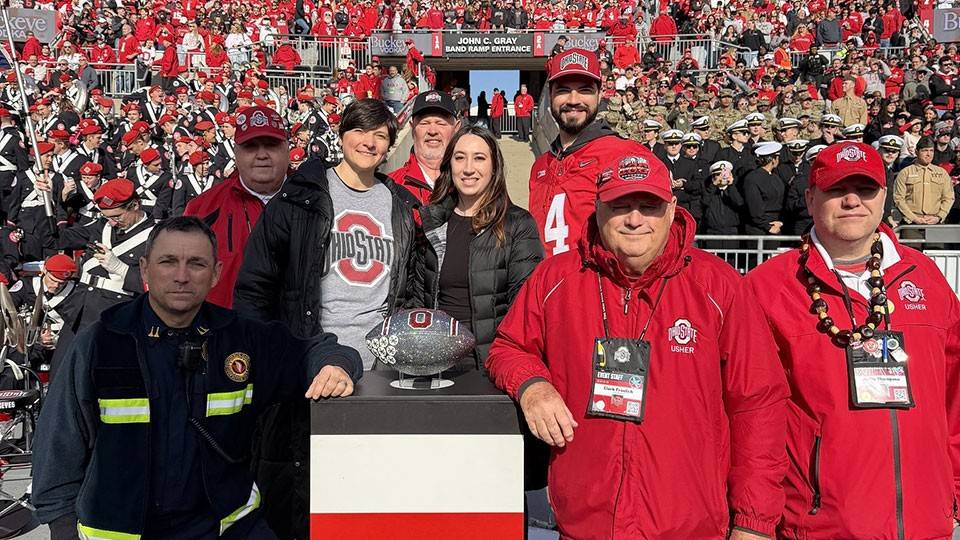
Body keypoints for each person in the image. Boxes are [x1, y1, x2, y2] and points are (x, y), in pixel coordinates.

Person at [487, 149, 788, 538]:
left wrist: (754, 524)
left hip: (689, 526)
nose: (634, 219)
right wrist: (533, 386)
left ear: (672, 208)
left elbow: (758, 403)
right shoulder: (556, 278)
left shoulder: (719, 285)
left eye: (649, 205)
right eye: (620, 205)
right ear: (597, 208)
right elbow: (508, 348)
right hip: (585, 524)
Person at [32, 216, 362, 540]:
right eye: (168, 262)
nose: (181, 276)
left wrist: (335, 365)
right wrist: (62, 527)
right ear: (145, 269)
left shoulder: (240, 338)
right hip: (120, 531)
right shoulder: (101, 342)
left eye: (196, 264)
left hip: (227, 526)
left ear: (216, 274)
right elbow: (58, 446)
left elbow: (318, 351)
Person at [745, 142, 960, 539]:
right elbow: (751, 417)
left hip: (926, 522)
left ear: (883, 198)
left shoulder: (925, 277)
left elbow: (956, 396)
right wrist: (752, 520)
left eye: (865, 190)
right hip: (821, 525)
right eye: (835, 190)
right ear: (810, 199)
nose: (851, 202)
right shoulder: (766, 288)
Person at [233, 99, 420, 540]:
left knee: (370, 496)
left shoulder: (398, 204)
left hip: (379, 370)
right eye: (360, 131)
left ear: (390, 146)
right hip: (307, 367)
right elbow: (254, 290)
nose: (369, 142)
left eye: (380, 136)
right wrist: (269, 362)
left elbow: (409, 286)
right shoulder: (297, 198)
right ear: (341, 135)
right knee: (306, 496)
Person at [418, 124, 543, 366]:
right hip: (436, 360)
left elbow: (525, 309)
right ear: (449, 165)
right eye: (460, 158)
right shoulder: (432, 222)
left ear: (494, 167)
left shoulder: (518, 224)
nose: (468, 169)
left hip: (490, 362)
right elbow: (418, 300)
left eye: (479, 158)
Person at [529, 48, 649, 258]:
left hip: (597, 288)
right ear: (550, 95)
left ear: (600, 94)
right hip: (547, 284)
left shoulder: (626, 155)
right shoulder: (539, 166)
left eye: (584, 90)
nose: (573, 99)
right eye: (563, 90)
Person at [184, 106, 290, 309]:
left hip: (296, 335)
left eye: (271, 145)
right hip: (225, 333)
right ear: (236, 152)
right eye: (250, 146)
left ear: (287, 148)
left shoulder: (316, 201)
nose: (262, 155)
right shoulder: (202, 209)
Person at [387, 90, 460, 205]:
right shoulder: (389, 188)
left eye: (441, 123)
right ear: (412, 128)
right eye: (424, 123)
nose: (432, 131)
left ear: (456, 128)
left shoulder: (471, 184)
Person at [893, 136, 955, 226]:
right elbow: (898, 198)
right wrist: (913, 218)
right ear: (916, 152)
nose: (928, 154)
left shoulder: (942, 173)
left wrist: (939, 216)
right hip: (911, 223)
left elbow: (949, 197)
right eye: (925, 150)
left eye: (931, 151)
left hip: (935, 221)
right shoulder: (905, 173)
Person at [742, 142, 786, 235]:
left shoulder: (775, 177)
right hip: (759, 228)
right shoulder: (752, 178)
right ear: (773, 160)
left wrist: (780, 222)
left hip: (775, 224)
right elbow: (755, 207)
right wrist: (767, 226)